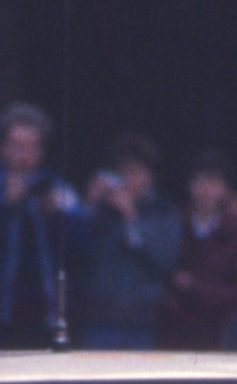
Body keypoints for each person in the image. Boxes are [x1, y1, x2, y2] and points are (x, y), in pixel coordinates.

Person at [0, 103, 77, 349]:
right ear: (2, 147)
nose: (25, 155)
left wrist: (56, 216)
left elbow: (83, 248)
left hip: (48, 319)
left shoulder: (58, 190)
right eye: (18, 146)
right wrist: (4, 206)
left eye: (33, 147)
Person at [72, 135, 180, 350]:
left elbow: (165, 260)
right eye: (124, 172)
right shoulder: (102, 209)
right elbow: (76, 251)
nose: (129, 178)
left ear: (151, 176)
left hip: (143, 320)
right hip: (99, 319)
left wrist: (131, 217)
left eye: (136, 172)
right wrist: (90, 206)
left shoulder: (164, 210)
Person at [157, 153, 237, 351]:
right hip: (175, 332)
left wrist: (196, 288)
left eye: (213, 183)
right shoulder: (171, 224)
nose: (205, 190)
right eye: (200, 182)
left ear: (225, 190)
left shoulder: (236, 234)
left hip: (219, 333)